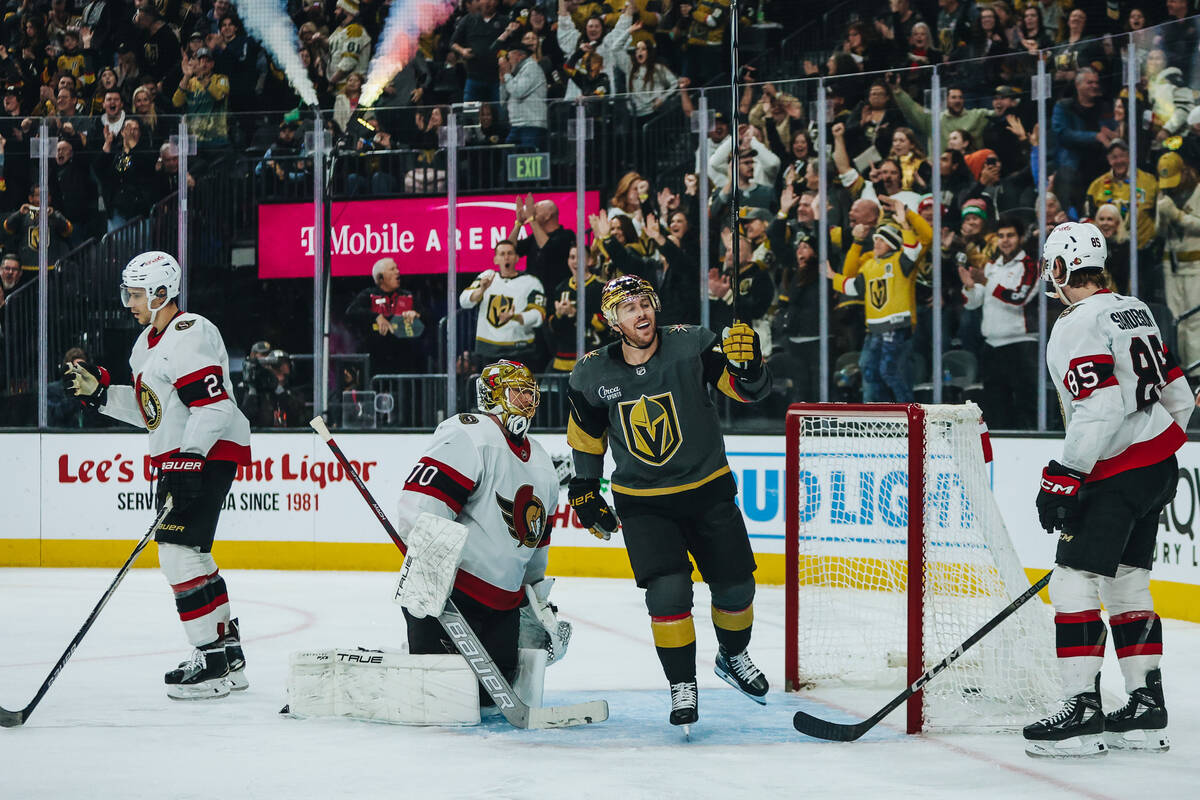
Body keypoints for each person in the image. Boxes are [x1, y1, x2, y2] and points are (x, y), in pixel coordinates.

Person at [566, 275, 771, 730]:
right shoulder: (591, 373)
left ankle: (732, 657)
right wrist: (584, 487)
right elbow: (586, 436)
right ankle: (682, 684)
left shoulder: (693, 344)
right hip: (644, 503)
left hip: (708, 489)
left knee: (737, 587)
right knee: (669, 592)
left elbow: (747, 392)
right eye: (628, 307)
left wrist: (749, 366)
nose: (641, 313)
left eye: (645, 303)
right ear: (611, 320)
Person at [1024, 222, 1193, 757]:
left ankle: (1081, 710)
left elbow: (1098, 407)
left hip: (1114, 471)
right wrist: (1152, 446)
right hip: (1156, 467)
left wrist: (1066, 474)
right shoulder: (1134, 308)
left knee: (1073, 585)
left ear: (1057, 269)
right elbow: (1180, 399)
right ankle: (1145, 708)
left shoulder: (1077, 323)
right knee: (1126, 583)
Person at [61, 251, 251, 700]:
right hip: (184, 458)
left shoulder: (190, 331)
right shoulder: (146, 343)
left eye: (135, 292)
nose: (128, 300)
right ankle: (226, 656)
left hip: (203, 455)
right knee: (193, 555)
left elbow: (216, 405)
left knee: (177, 554)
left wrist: (189, 458)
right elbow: (152, 411)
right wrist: (102, 393)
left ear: (161, 292)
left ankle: (211, 660)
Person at [396, 359, 565, 705]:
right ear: (492, 396)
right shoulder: (470, 433)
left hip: (503, 605)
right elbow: (422, 506)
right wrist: (431, 577)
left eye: (530, 394)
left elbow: (537, 544)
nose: (528, 402)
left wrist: (535, 604)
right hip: (453, 596)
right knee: (443, 697)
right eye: (517, 393)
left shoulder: (543, 461)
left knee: (489, 699)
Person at [960, 214, 1038, 429]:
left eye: (1010, 235)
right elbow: (973, 303)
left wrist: (986, 281)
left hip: (1021, 345)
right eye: (1001, 236)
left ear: (1020, 238)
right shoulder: (991, 267)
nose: (1005, 240)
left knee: (1025, 404)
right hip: (992, 346)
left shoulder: (1030, 266)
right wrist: (969, 287)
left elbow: (1018, 297)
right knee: (996, 405)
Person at [459, 241, 546, 367]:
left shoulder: (531, 282)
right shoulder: (487, 277)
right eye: (502, 253)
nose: (506, 257)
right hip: (488, 351)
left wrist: (515, 317)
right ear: (495, 259)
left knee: (517, 387)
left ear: (517, 258)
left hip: (520, 351)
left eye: (510, 253)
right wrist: (482, 289)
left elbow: (538, 315)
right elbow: (464, 301)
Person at [344, 257, 426, 376]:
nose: (397, 271)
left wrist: (417, 314)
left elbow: (427, 316)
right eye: (392, 269)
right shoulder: (368, 295)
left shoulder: (407, 295)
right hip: (375, 360)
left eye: (397, 268)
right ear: (380, 278)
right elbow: (351, 312)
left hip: (404, 360)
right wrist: (376, 316)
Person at [236, 345, 306, 429]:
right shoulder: (256, 391)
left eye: (282, 364)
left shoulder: (295, 393)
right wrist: (252, 389)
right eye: (274, 366)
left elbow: (297, 416)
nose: (279, 369)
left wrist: (278, 388)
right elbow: (243, 419)